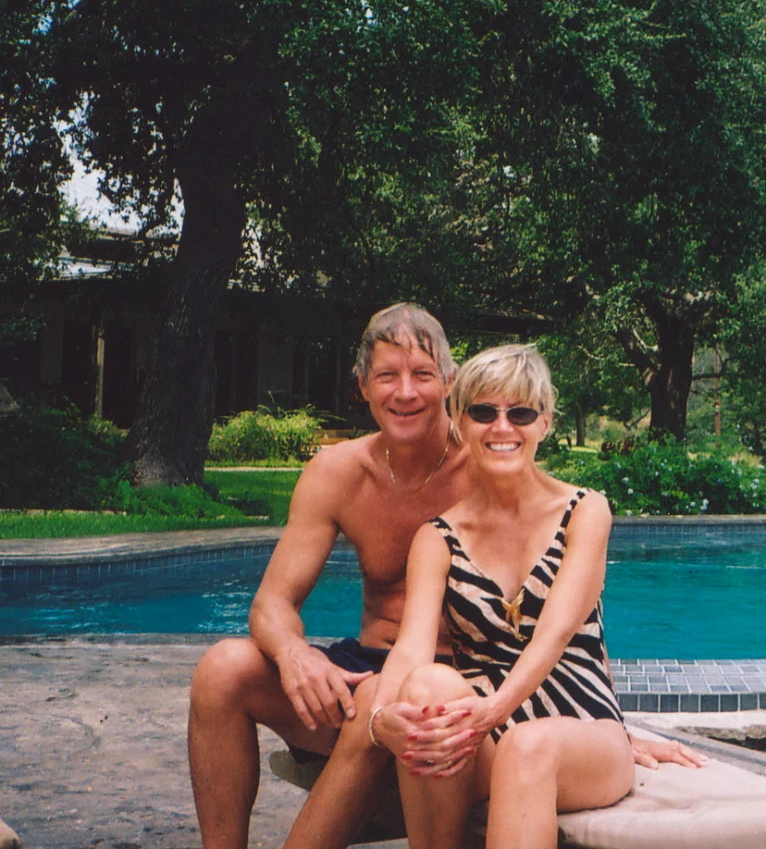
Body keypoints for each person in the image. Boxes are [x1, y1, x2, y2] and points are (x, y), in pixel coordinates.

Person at [188, 306, 705, 849]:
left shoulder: (495, 461)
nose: (406, 393)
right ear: (362, 385)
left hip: (467, 689)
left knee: (408, 701)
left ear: (449, 387)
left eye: (423, 375)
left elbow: (562, 627)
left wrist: (610, 730)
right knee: (224, 669)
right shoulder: (342, 476)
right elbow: (272, 602)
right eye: (388, 375)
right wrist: (296, 655)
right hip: (395, 682)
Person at [366, 343, 641, 848]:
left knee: (528, 745)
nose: (502, 427)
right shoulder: (438, 537)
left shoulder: (585, 510)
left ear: (545, 423)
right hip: (482, 725)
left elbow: (555, 634)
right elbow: (410, 648)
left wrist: (493, 710)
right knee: (427, 687)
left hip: (581, 725)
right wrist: (382, 719)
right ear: (459, 420)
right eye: (484, 412)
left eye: (520, 412)